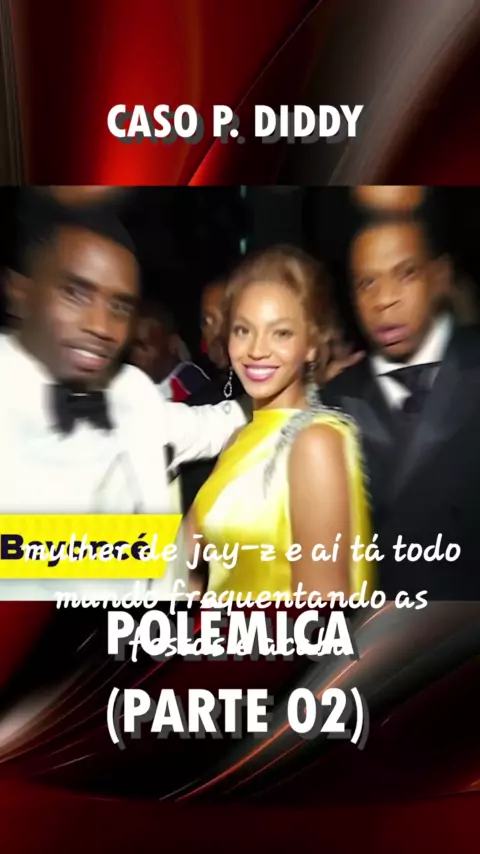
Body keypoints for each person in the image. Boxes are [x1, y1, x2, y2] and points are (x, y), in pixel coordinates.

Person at [0, 209, 248, 600]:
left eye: (119, 307)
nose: (100, 326)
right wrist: (179, 547)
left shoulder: (130, 390)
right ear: (20, 293)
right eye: (75, 293)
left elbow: (215, 424)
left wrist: (304, 382)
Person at [177, 246, 374, 600]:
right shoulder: (240, 438)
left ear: (311, 345)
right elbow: (181, 559)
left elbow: (318, 616)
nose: (257, 349)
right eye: (243, 330)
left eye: (280, 333)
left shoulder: (316, 441)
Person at [321, 213, 480, 599]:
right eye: (367, 283)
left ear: (440, 276)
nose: (384, 299)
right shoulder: (331, 403)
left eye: (406, 274)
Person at [131, 300, 209, 401]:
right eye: (129, 346)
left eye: (142, 346)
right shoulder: (129, 382)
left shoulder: (192, 388)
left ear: (172, 344)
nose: (133, 355)